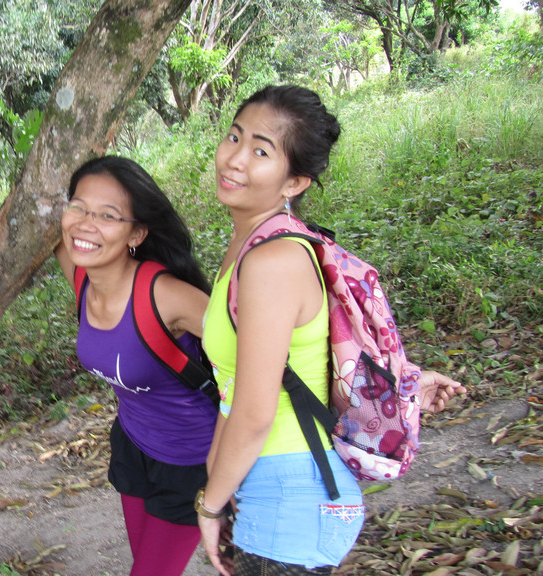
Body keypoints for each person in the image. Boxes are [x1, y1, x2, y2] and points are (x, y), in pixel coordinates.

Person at [195, 85, 467, 576]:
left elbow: (255, 414)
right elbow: (233, 393)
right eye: (234, 136)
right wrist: (219, 488)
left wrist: (209, 506)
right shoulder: (250, 247)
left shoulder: (273, 260)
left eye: (261, 150)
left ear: (295, 181)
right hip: (269, 490)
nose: (234, 158)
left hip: (293, 498)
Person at [53, 156, 219, 575]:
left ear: (137, 233)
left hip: (191, 463)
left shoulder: (168, 296)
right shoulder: (81, 276)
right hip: (133, 445)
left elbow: (257, 355)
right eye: (78, 207)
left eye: (107, 215)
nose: (85, 224)